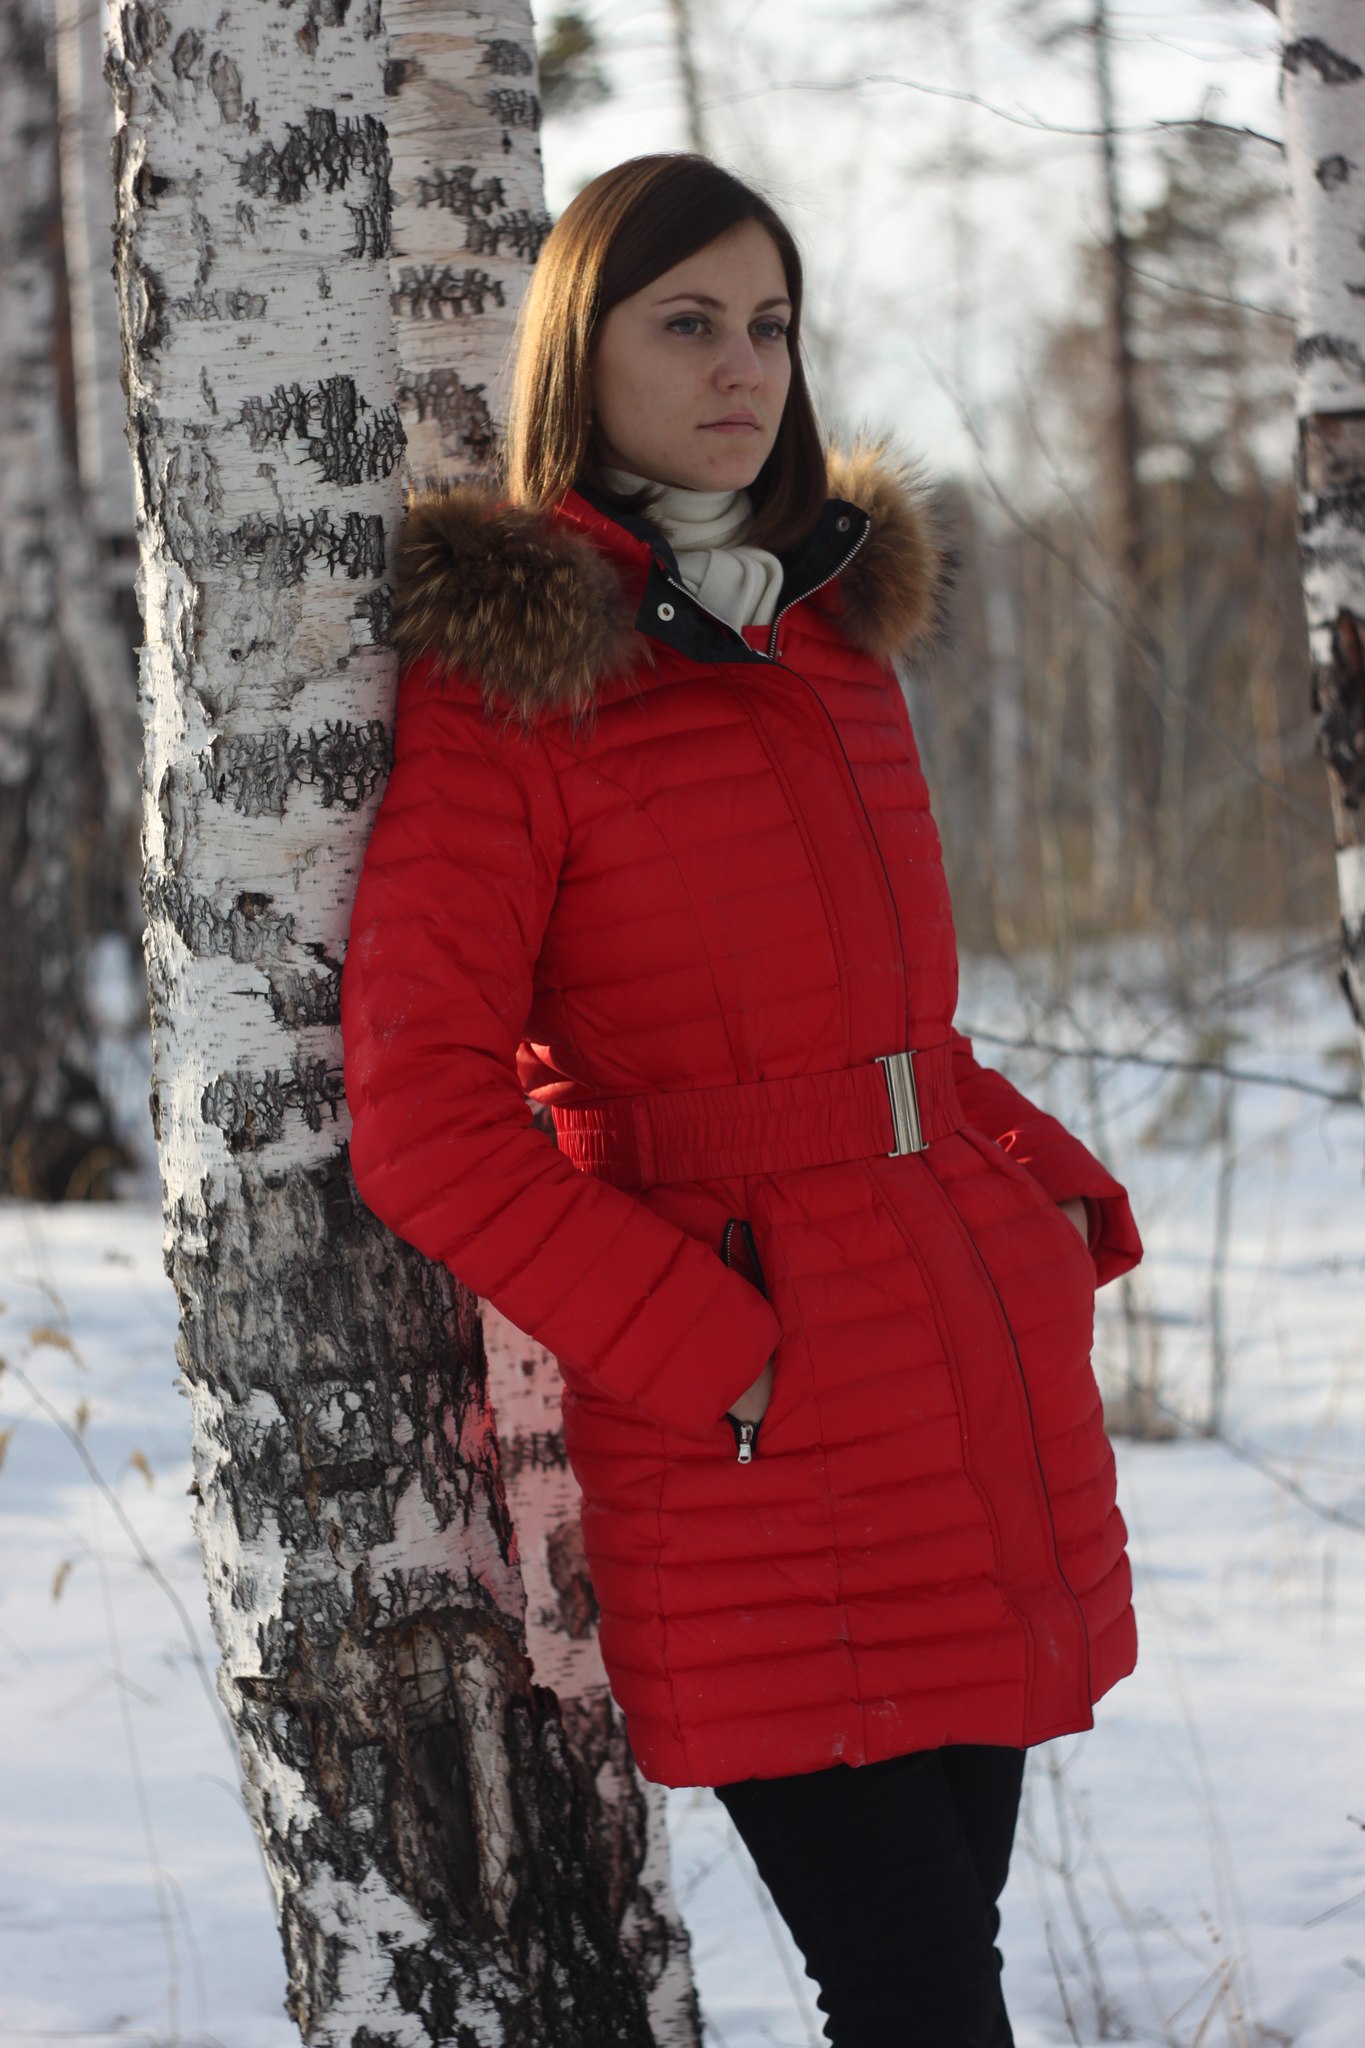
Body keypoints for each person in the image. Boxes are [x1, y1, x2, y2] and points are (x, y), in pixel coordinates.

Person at [340, 152, 1143, 2048]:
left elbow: (896, 1034)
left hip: (958, 1369)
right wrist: (716, 1354)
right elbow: (424, 1113)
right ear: (580, 350)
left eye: (769, 325)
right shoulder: (517, 679)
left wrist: (1039, 1198)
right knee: (915, 1988)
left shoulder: (833, 637)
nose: (741, 367)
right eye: (686, 322)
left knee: (947, 1963)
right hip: (761, 1426)